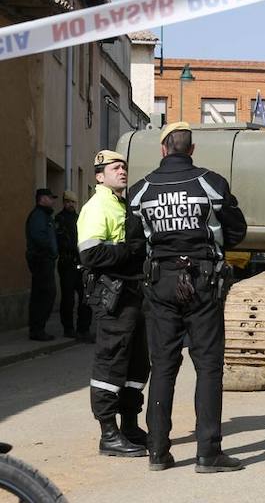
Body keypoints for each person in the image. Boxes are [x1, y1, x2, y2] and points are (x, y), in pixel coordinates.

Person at [129, 122, 247, 473]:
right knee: (208, 367)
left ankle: (157, 452)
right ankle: (208, 454)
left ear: (163, 149)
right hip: (203, 280)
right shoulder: (211, 183)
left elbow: (134, 242)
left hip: (160, 282)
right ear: (191, 150)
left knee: (162, 366)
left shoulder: (140, 191)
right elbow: (237, 232)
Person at [77, 150, 150, 457]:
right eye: (115, 168)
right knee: (111, 361)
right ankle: (108, 433)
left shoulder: (124, 204)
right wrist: (129, 251)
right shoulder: (97, 206)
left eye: (124, 167)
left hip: (132, 292)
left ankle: (130, 425)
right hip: (112, 295)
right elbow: (90, 255)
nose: (122, 171)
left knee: (136, 362)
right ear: (100, 175)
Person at [56, 190, 90, 341]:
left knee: (85, 297)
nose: (70, 204)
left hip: (80, 263)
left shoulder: (78, 218)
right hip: (67, 262)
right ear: (64, 202)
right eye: (67, 202)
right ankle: (68, 328)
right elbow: (62, 241)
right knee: (68, 298)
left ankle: (84, 329)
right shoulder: (59, 219)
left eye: (72, 202)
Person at [25, 188, 58, 341]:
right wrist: (50, 252)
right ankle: (37, 330)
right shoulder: (38, 216)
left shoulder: (45, 216)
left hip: (45, 260)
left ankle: (38, 329)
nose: (52, 201)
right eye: (50, 198)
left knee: (44, 294)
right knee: (44, 295)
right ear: (42, 199)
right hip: (41, 260)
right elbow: (40, 238)